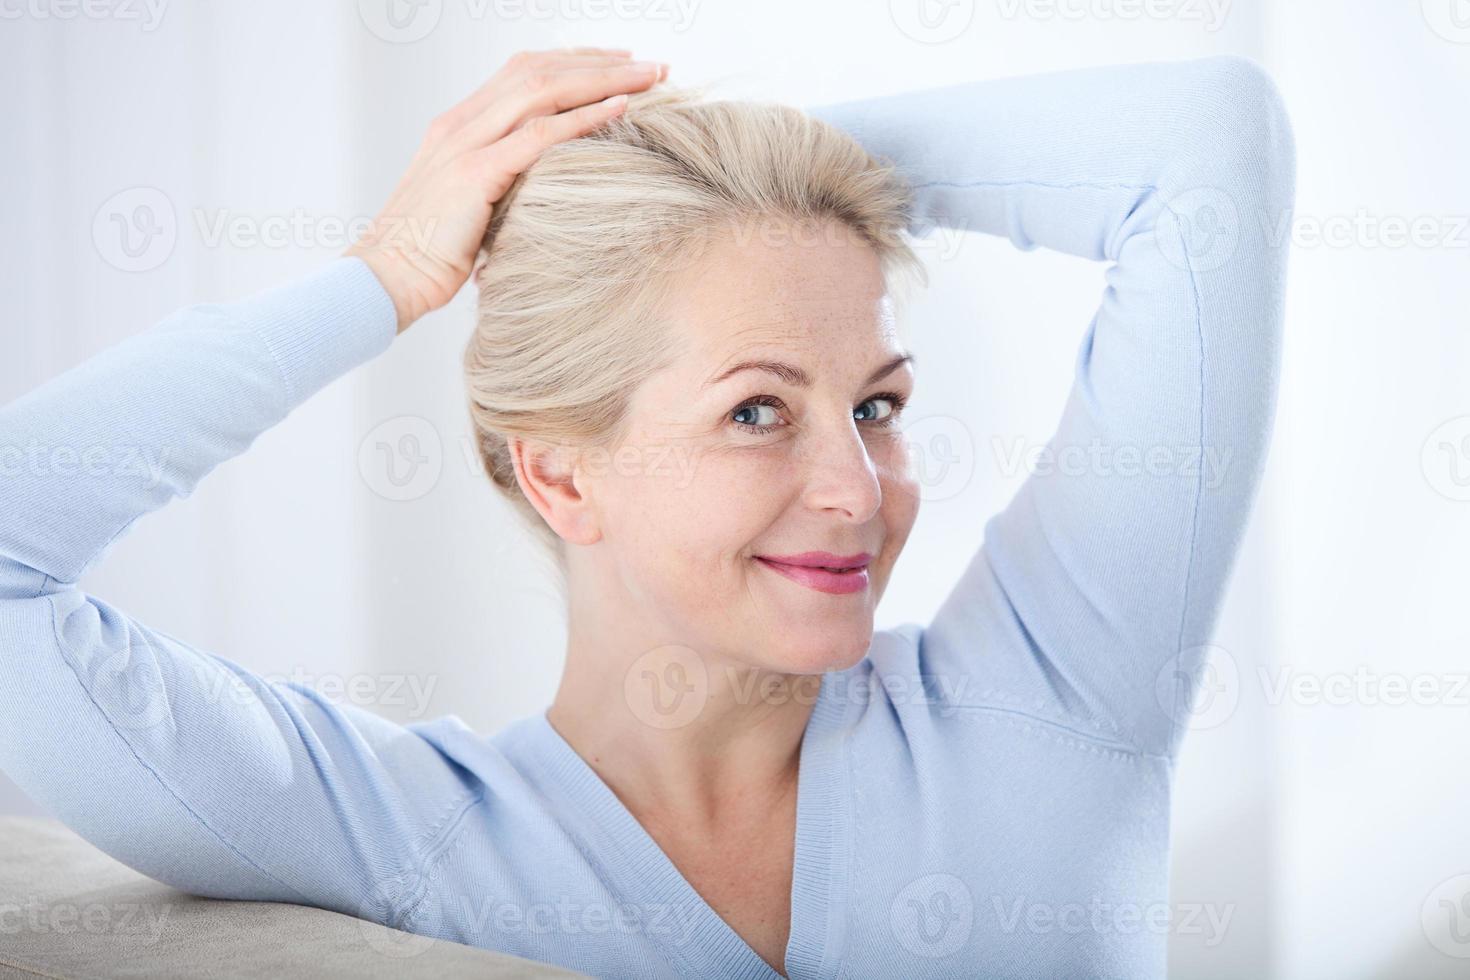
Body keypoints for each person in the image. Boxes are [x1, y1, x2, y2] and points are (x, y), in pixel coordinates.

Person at [0, 45, 1295, 979]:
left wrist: (668, 178)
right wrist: (389, 272)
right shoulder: (413, 835)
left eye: (879, 406)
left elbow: (1205, 142)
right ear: (561, 476)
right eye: (755, 412)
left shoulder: (1055, 697)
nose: (858, 489)